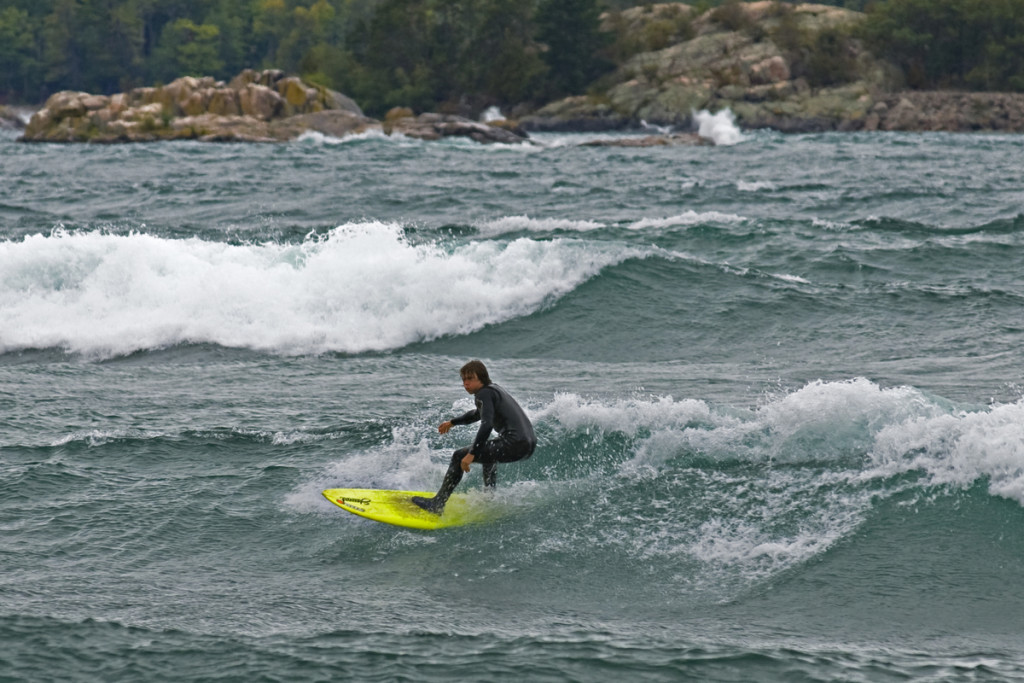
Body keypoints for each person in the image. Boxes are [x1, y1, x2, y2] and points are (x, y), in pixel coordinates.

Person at [412, 360, 536, 515]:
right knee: (489, 452)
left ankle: (437, 504)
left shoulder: (484, 393)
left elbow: (487, 424)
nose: (465, 384)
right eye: (463, 380)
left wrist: (472, 454)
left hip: (514, 443)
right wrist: (452, 422)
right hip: (527, 445)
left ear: (481, 378)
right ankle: (490, 496)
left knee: (459, 456)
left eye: (470, 379)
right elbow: (477, 414)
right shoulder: (493, 390)